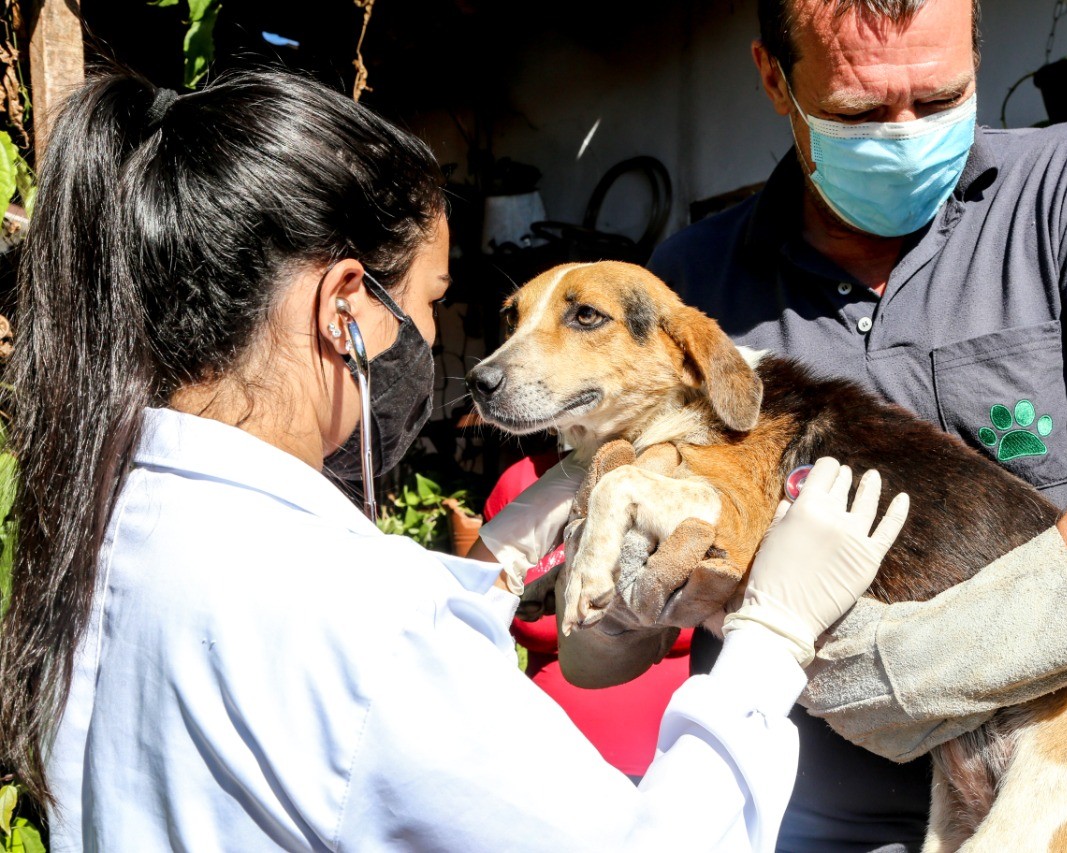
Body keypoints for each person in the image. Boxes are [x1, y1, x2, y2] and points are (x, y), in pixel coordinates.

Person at [0, 67, 913, 852]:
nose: (450, 350)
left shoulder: (108, 529)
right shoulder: (363, 619)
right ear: (345, 307)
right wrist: (769, 643)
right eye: (435, 299)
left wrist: (482, 574)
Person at [506, 0, 1067, 850]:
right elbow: (596, 656)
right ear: (774, 79)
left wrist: (936, 662)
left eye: (941, 97)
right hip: (791, 822)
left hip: (1058, 790)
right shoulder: (693, 284)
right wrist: (619, 613)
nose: (906, 133)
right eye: (860, 112)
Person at [482, 451, 696, 781]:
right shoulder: (523, 481)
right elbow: (471, 618)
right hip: (542, 762)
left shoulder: (698, 483)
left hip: (675, 768)